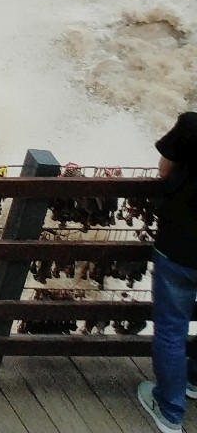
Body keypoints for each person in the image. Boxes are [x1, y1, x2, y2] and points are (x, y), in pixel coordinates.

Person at [141, 110, 197, 433]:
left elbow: (164, 171)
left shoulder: (191, 125)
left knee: (172, 329)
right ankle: (193, 380)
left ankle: (170, 411)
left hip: (179, 248)